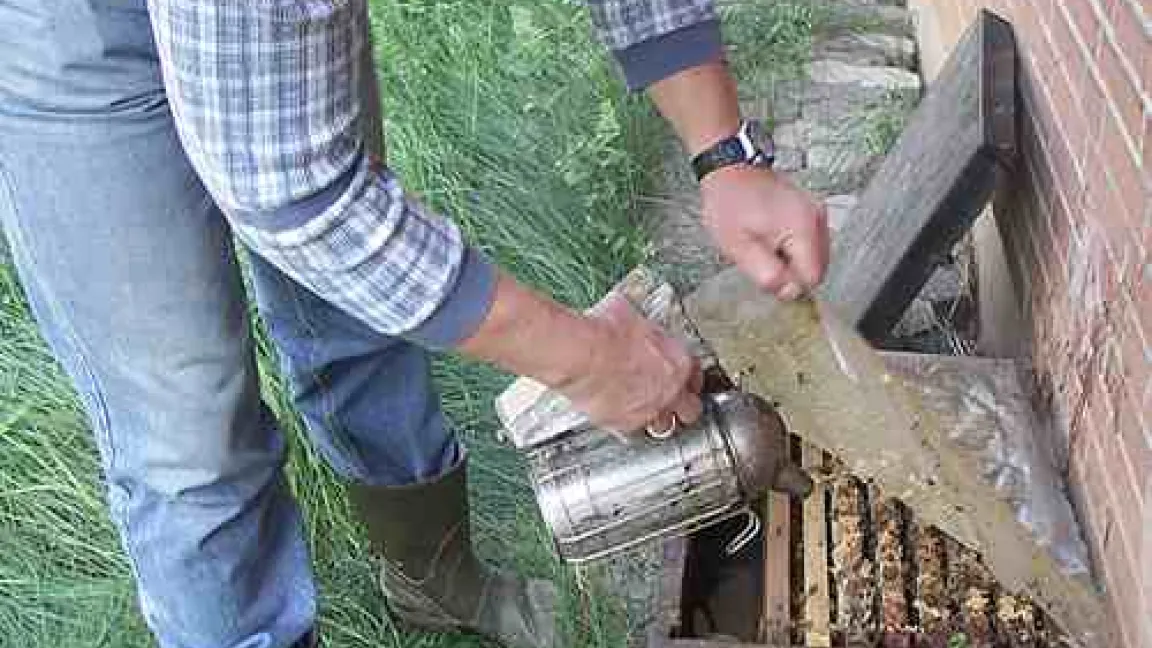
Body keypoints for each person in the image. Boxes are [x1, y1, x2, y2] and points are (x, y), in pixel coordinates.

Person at [0, 0, 829, 646]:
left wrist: (725, 153)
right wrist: (581, 359)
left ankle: (434, 579)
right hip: (74, 41)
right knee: (190, 437)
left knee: (353, 318)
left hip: (256, 33)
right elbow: (301, 196)